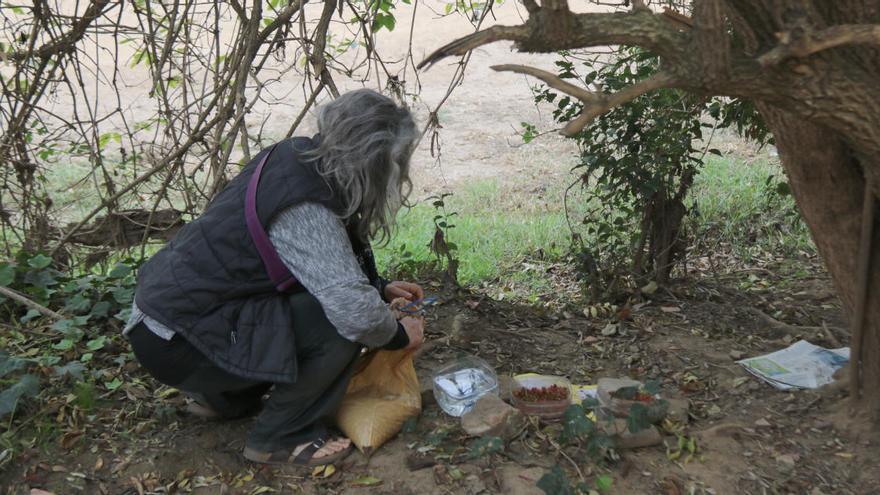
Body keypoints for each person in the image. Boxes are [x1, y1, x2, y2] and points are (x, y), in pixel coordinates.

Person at [124, 89, 426, 466]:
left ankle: (227, 399)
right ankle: (282, 435)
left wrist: (378, 288)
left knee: (325, 309)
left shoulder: (297, 155)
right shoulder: (305, 206)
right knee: (339, 326)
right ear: (374, 160)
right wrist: (398, 335)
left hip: (164, 324)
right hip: (180, 344)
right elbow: (355, 314)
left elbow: (304, 259)